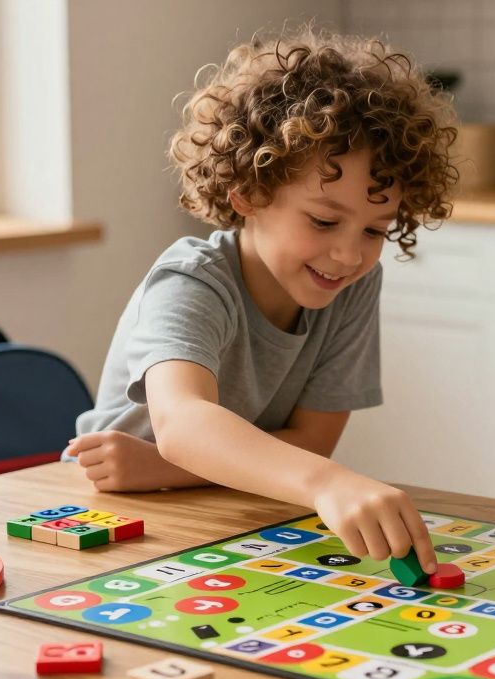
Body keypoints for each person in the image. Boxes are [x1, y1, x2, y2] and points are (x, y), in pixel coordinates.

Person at [65, 30, 458, 574]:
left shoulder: (352, 287)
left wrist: (160, 467)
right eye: (324, 220)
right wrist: (328, 484)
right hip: (106, 519)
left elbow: (312, 440)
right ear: (249, 192)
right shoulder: (191, 282)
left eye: (375, 231)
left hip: (216, 513)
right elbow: (183, 423)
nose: (348, 255)